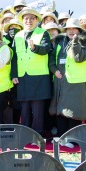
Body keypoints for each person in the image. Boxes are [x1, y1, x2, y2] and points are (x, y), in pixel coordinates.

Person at [10, 8, 53, 139]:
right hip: (23, 76)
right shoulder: (17, 36)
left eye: (32, 18)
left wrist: (35, 48)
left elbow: (46, 49)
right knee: (25, 107)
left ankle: (37, 134)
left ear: (36, 20)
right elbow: (14, 57)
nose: (28, 21)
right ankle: (25, 134)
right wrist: (14, 75)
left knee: (38, 108)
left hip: (38, 76)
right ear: (22, 20)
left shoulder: (43, 33)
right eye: (26, 18)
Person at [49, 18, 86, 134]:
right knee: (60, 110)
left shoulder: (84, 42)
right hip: (60, 81)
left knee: (73, 111)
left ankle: (72, 138)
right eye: (68, 29)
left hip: (76, 82)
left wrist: (75, 43)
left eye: (74, 28)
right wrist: (54, 70)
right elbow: (52, 59)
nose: (71, 31)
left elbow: (79, 58)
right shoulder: (60, 43)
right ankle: (62, 137)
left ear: (79, 30)